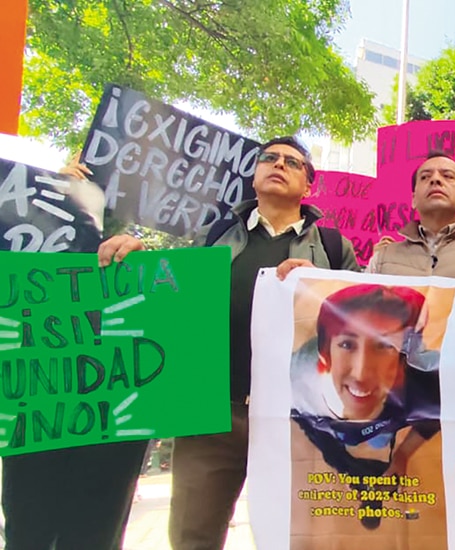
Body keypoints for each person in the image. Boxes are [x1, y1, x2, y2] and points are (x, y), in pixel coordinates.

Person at [98, 136, 361, 550]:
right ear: (254, 175)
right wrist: (134, 256)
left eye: (292, 163)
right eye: (269, 158)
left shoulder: (332, 247)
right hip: (212, 415)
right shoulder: (212, 235)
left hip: (296, 421)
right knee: (193, 535)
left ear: (308, 185)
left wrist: (319, 287)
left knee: (300, 538)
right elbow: (168, 296)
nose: (278, 165)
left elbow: (358, 323)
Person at [1, 157, 145, 550]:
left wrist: (139, 257)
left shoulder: (124, 255)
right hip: (35, 408)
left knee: (94, 535)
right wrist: (49, 189)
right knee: (28, 532)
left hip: (108, 416)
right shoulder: (18, 254)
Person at [290, 284, 439, 530]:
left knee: (376, 438)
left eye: (384, 346)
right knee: (357, 437)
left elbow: (431, 415)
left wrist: (401, 456)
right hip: (346, 427)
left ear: (404, 354)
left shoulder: (424, 381)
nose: (361, 373)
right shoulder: (300, 376)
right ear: (326, 353)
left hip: (384, 420)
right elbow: (306, 421)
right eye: (348, 345)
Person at [364, 152, 455, 278]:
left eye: (448, 176)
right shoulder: (381, 260)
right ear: (413, 199)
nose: (435, 180)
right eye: (425, 177)